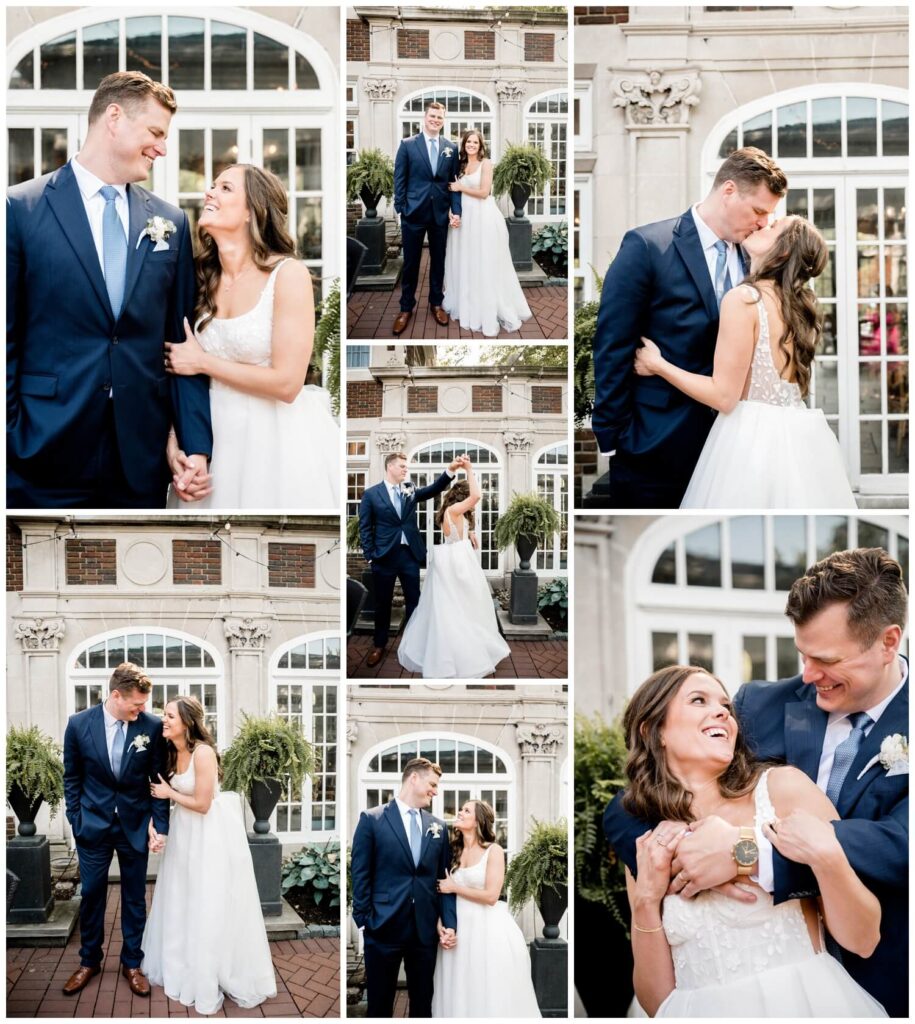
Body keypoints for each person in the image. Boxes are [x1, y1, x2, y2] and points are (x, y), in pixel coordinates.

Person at [605, 547, 908, 1017]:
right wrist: (658, 878)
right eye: (801, 654)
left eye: (825, 659)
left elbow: (899, 845)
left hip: (858, 985)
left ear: (888, 642)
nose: (807, 675)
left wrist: (745, 855)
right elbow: (628, 811)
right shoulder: (761, 705)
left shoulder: (781, 787)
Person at [620, 664, 886, 1017]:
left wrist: (822, 857)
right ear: (655, 730)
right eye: (698, 700)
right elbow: (657, 1003)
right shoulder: (649, 845)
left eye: (725, 707)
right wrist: (647, 900)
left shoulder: (783, 790)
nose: (721, 711)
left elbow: (864, 940)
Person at [7, 71, 212, 508]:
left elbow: (180, 342)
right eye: (155, 132)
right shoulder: (18, 209)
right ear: (114, 118)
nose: (162, 147)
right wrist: (11, 438)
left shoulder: (170, 222)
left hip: (139, 459)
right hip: (39, 455)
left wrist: (194, 445)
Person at [591, 146, 786, 508]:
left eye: (768, 215)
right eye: (759, 210)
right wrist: (614, 438)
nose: (762, 223)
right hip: (652, 444)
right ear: (728, 191)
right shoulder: (648, 246)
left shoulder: (755, 258)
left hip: (732, 448)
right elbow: (611, 344)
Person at [635, 215, 855, 508]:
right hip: (800, 438)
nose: (764, 224)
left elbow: (724, 396)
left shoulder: (743, 299)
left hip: (751, 439)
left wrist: (658, 365)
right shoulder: (803, 305)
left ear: (784, 251)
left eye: (774, 226)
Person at [163, 164, 339, 509]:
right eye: (212, 186)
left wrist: (202, 361)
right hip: (209, 442)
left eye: (225, 188)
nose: (209, 193)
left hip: (273, 442)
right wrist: (176, 444)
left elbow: (288, 384)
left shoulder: (288, 276)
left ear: (251, 211)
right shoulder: (198, 277)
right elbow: (179, 373)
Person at [142, 696, 276, 1014]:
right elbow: (160, 799)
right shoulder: (171, 752)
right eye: (164, 715)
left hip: (207, 835)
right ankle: (182, 961)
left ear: (187, 722)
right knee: (181, 897)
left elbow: (202, 804)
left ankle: (209, 967)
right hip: (183, 833)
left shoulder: (203, 753)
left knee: (206, 900)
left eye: (170, 715)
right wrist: (154, 827)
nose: (164, 720)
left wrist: (170, 793)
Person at [61, 664, 169, 998]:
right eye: (137, 704)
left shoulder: (150, 727)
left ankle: (132, 963)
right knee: (92, 893)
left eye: (144, 704)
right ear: (116, 695)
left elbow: (158, 781)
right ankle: (89, 960)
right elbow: (72, 778)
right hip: (92, 826)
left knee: (135, 897)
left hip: (134, 826)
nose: (142, 710)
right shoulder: (79, 725)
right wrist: (76, 819)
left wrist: (160, 826)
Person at [351, 757, 457, 1017]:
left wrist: (448, 921)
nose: (436, 790)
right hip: (382, 927)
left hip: (424, 931)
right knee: (379, 1004)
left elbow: (442, 881)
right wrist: (364, 920)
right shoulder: (372, 819)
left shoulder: (438, 827)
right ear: (413, 778)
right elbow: (360, 874)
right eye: (432, 783)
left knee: (423, 1004)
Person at [398, 459, 510, 678]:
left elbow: (457, 529)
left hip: (451, 558)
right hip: (458, 562)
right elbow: (476, 496)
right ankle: (458, 656)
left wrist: (470, 532)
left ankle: (456, 649)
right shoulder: (453, 510)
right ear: (463, 497)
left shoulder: (452, 512)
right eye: (469, 499)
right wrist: (469, 469)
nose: (474, 504)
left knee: (455, 607)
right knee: (460, 607)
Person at [432, 801, 541, 1018]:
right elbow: (442, 894)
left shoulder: (494, 851)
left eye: (466, 810)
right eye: (460, 809)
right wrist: (441, 926)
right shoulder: (453, 851)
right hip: (457, 931)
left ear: (478, 820)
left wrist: (454, 886)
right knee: (458, 986)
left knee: (485, 986)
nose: (460, 813)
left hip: (486, 930)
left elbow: (492, 896)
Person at [358, 451, 462, 668]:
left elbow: (433, 490)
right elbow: (365, 528)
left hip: (409, 556)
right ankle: (379, 645)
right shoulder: (371, 495)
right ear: (390, 467)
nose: (406, 470)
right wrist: (370, 557)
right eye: (402, 466)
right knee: (382, 604)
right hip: (384, 557)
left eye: (406, 467)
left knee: (414, 601)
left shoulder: (410, 489)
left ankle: (416, 644)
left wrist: (450, 471)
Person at [442, 130, 532, 337]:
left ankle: (486, 305)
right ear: (463, 144)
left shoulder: (486, 164)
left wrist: (460, 187)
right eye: (468, 142)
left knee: (483, 260)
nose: (471, 145)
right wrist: (452, 213)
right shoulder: (460, 165)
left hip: (482, 218)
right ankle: (466, 302)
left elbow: (484, 192)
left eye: (475, 142)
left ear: (481, 146)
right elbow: (451, 192)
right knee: (465, 260)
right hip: (464, 218)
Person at [392, 101, 463, 336]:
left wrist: (455, 210)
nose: (435, 120)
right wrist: (402, 207)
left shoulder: (451, 147)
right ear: (425, 118)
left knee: (439, 261)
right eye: (432, 116)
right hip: (413, 213)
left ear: (444, 120)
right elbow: (399, 179)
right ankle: (405, 308)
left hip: (440, 214)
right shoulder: (407, 145)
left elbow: (453, 183)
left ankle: (436, 303)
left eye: (440, 117)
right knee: (411, 263)